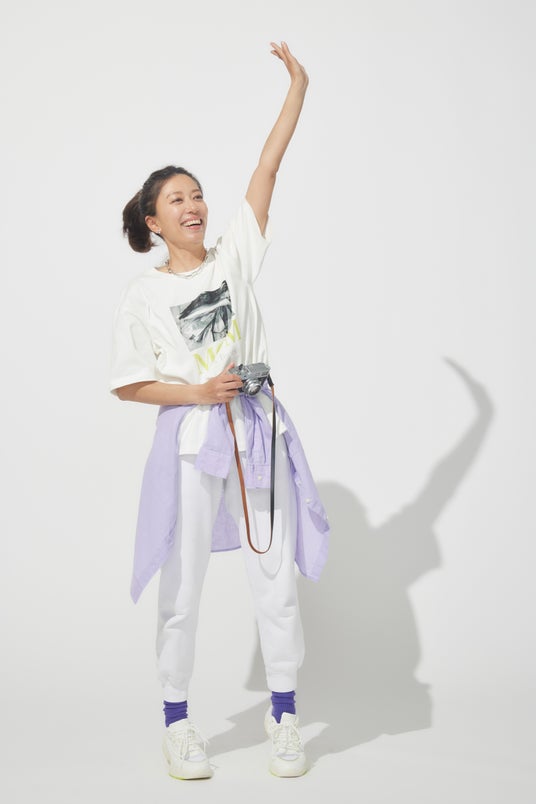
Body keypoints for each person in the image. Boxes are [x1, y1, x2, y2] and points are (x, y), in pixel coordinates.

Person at [110, 41, 329, 780]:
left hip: (258, 430)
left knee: (275, 576)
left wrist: (297, 87)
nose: (194, 205)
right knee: (183, 585)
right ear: (153, 221)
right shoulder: (145, 295)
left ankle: (284, 715)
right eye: (177, 199)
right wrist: (198, 393)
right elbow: (131, 385)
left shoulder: (233, 258)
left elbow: (267, 170)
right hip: (191, 439)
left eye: (197, 194)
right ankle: (177, 722)